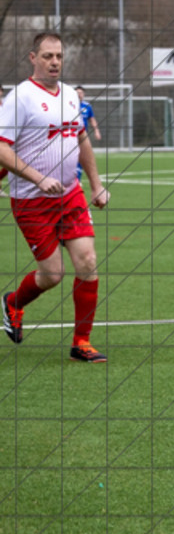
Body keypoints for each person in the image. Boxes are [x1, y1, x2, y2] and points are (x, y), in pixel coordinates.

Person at [0, 32, 111, 362]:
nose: (54, 62)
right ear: (33, 58)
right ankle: (14, 303)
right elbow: (2, 149)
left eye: (59, 56)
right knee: (52, 275)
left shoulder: (71, 96)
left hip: (70, 196)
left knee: (88, 262)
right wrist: (38, 178)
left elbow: (81, 140)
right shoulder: (19, 98)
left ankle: (81, 342)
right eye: (47, 56)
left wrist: (96, 184)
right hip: (32, 200)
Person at [74, 86, 101, 180]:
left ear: (84, 95)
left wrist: (96, 131)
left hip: (83, 136)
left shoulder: (87, 106)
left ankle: (78, 179)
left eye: (81, 93)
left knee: (83, 156)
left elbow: (92, 119)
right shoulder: (69, 105)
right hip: (71, 136)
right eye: (77, 93)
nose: (79, 95)